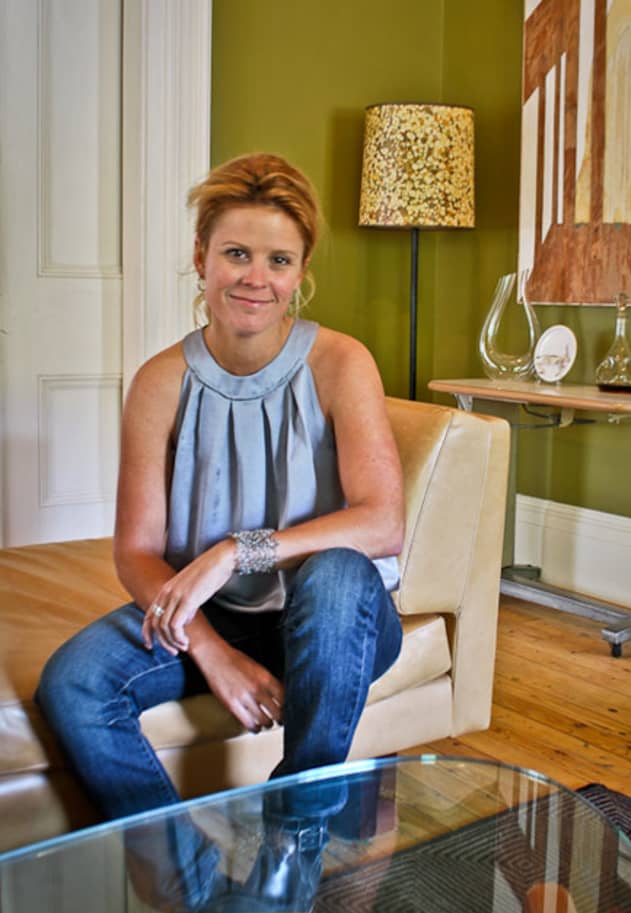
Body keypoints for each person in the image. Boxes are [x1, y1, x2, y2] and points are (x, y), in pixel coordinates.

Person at [36, 153, 405, 911]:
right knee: (73, 679)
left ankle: (291, 842)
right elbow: (134, 550)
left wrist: (238, 548)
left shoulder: (342, 362)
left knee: (336, 573)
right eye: (236, 253)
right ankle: (191, 887)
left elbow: (383, 520)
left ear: (301, 272)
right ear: (199, 257)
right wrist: (212, 647)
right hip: (216, 619)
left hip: (338, 621)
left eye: (279, 259)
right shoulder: (159, 380)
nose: (254, 277)